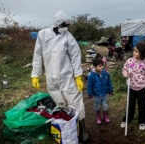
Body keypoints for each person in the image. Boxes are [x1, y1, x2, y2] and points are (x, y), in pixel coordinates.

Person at [31, 11, 89, 142]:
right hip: (51, 78)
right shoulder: (43, 34)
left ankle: (83, 129)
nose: (65, 27)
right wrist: (35, 74)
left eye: (67, 25)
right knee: (61, 103)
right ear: (57, 23)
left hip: (67, 76)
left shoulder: (68, 37)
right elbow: (37, 55)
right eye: (63, 24)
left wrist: (78, 76)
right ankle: (69, 128)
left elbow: (75, 56)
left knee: (76, 102)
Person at [120, 42, 145, 131]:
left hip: (142, 89)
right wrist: (126, 74)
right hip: (131, 87)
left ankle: (142, 122)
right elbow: (124, 70)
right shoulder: (129, 61)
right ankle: (126, 120)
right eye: (134, 51)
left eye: (136, 51)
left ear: (142, 53)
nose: (134, 53)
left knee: (142, 107)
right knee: (130, 105)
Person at [87, 58, 113, 125]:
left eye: (102, 65)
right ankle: (98, 117)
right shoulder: (91, 75)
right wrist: (90, 93)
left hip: (104, 94)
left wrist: (110, 90)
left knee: (105, 106)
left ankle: (105, 116)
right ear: (95, 66)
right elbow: (89, 85)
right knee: (97, 106)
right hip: (96, 95)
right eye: (99, 66)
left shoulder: (106, 74)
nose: (102, 67)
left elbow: (109, 83)